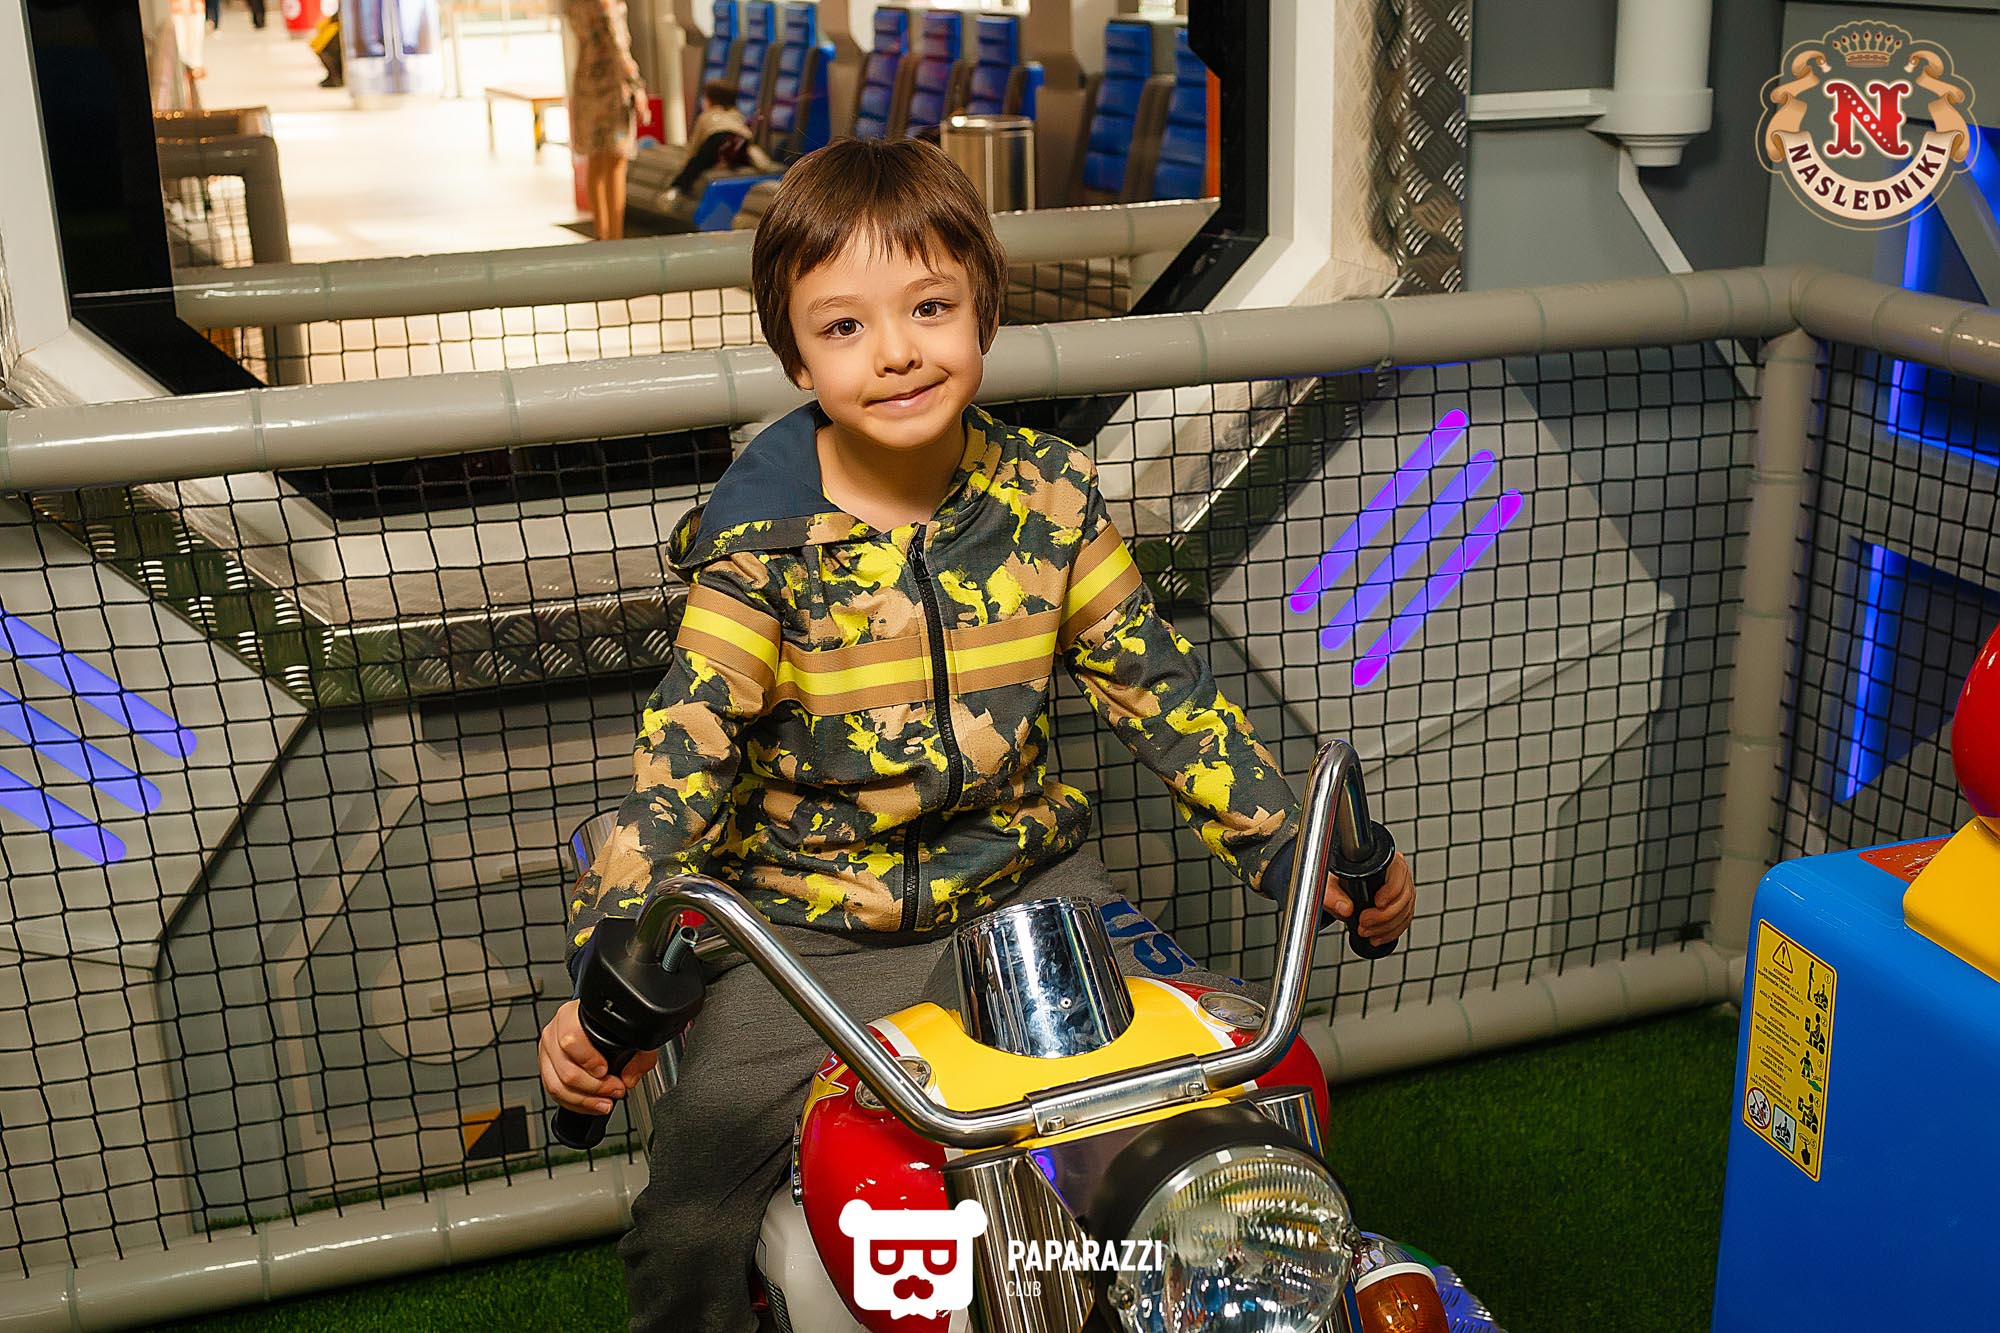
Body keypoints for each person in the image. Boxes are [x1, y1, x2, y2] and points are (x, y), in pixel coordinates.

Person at [537, 137, 1418, 1332]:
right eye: (843, 326)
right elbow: (675, 769)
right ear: (794, 354)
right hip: (809, 932)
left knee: (1220, 1106)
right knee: (691, 1211)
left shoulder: (1050, 497)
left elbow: (1164, 696)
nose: (895, 350)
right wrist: (606, 972)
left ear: (984, 312)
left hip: (1029, 893)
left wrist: (1302, 855)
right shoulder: (757, 552)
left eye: (928, 307)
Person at [562, 0, 645, 240]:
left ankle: (601, 233)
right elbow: (617, 46)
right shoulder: (606, 3)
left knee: (595, 160)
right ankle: (615, 236)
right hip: (612, 88)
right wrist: (636, 85)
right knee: (616, 161)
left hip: (586, 84)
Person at [666, 79, 774, 201]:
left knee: (696, 164)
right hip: (740, 141)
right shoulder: (736, 114)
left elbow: (696, 144)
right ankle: (729, 162)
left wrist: (689, 159)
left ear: (710, 100)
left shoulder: (707, 115)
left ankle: (677, 188)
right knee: (734, 157)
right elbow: (745, 133)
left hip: (717, 139)